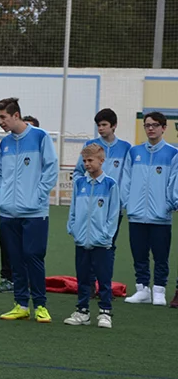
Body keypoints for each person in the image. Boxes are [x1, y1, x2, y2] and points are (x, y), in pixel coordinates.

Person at [0, 97, 57, 323]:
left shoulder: (41, 137)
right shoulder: (5, 144)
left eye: (3, 117)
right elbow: (0, 174)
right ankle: (20, 304)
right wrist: (0, 197)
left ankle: (40, 305)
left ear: (16, 115)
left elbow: (51, 168)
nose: (0, 122)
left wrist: (38, 196)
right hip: (8, 212)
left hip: (35, 212)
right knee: (16, 260)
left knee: (33, 257)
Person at [121, 111, 178, 306]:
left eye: (155, 125)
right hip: (136, 214)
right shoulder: (134, 152)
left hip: (160, 216)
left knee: (161, 255)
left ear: (164, 128)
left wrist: (169, 204)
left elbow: (174, 183)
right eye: (147, 125)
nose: (151, 128)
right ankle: (142, 289)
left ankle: (159, 290)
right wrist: (127, 203)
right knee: (139, 254)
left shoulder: (172, 154)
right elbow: (126, 180)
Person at [65, 144, 120, 328]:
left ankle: (105, 312)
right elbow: (73, 208)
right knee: (82, 277)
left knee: (104, 278)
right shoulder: (79, 183)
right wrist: (73, 227)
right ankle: (82, 311)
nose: (87, 164)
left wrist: (107, 235)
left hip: (102, 242)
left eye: (90, 160)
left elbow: (114, 214)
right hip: (82, 240)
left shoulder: (110, 184)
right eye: (84, 161)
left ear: (101, 161)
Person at [72, 109, 131, 269]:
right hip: (90, 204)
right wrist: (81, 186)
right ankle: (89, 284)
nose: (100, 128)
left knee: (108, 245)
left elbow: (128, 177)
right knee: (88, 245)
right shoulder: (90, 146)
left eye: (104, 124)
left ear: (114, 126)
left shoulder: (126, 148)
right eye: (98, 125)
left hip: (112, 207)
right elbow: (78, 172)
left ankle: (105, 283)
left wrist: (122, 200)